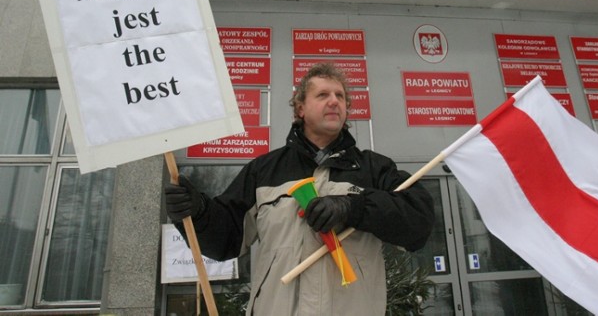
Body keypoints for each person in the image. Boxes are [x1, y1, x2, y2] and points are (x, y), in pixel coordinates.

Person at [165, 62, 435, 315]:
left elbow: (418, 222)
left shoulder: (375, 169)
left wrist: (353, 207)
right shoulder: (264, 170)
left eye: (340, 96)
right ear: (300, 109)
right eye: (323, 95)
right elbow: (225, 240)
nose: (334, 101)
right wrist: (198, 212)